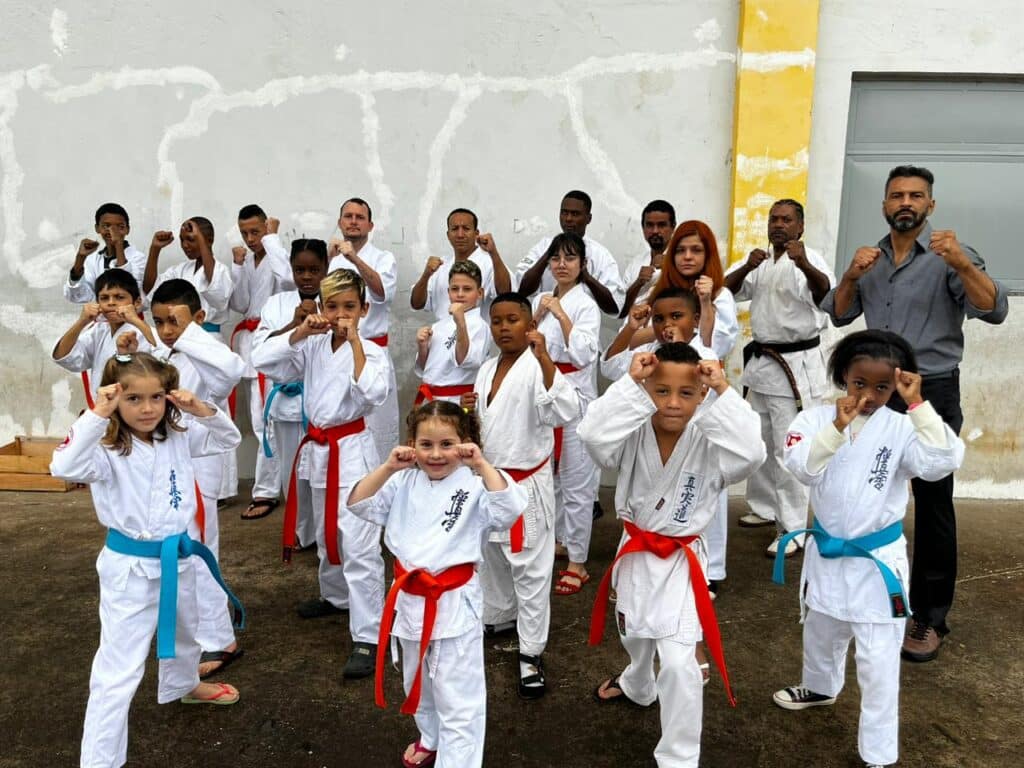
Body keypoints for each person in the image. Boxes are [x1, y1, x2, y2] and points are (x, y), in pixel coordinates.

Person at [821, 165, 1008, 661]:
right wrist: (850, 275)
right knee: (862, 488)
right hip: (875, 391)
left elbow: (994, 310)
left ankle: (929, 615)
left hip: (930, 390)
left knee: (932, 500)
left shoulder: (950, 256)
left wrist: (962, 263)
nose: (906, 202)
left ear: (930, 205)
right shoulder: (870, 258)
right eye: (897, 195)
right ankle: (860, 597)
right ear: (884, 204)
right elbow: (838, 313)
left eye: (916, 195)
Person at [772, 330, 964, 768]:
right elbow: (802, 468)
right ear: (844, 376)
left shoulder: (903, 427)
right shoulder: (814, 421)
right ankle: (820, 686)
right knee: (821, 629)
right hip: (827, 553)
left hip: (876, 563)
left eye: (883, 386)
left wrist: (918, 405)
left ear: (898, 384)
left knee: (878, 660)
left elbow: (943, 461)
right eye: (860, 383)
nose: (870, 396)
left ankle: (878, 752)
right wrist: (837, 428)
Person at [49, 353, 244, 768]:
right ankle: (99, 761)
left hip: (179, 555)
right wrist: (97, 415)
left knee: (187, 633)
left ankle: (183, 685)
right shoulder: (103, 449)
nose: (147, 408)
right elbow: (62, 466)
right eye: (133, 398)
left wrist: (200, 408)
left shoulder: (176, 435)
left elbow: (228, 439)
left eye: (156, 397)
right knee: (118, 670)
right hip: (130, 570)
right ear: (113, 398)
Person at [581, 344, 765, 768]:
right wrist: (628, 383)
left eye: (687, 393)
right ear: (646, 390)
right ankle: (637, 682)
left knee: (681, 664)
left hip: (682, 560)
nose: (673, 403)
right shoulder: (631, 430)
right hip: (636, 552)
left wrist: (724, 390)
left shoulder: (713, 437)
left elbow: (752, 454)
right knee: (634, 633)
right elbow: (591, 436)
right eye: (661, 391)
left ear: (702, 394)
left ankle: (679, 758)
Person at [348, 401, 528, 768]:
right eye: (425, 444)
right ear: (411, 445)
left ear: (465, 443)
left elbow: (509, 509)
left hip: (453, 601)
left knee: (458, 697)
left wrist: (481, 464)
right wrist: (387, 466)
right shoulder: (402, 481)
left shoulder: (476, 486)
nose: (435, 454)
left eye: (447, 444)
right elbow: (358, 503)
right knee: (416, 680)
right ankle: (430, 735)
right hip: (409, 599)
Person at [252, 268, 390, 678]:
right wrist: (299, 330)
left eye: (350, 306)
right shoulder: (312, 345)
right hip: (318, 448)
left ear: (364, 309)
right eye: (332, 306)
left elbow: (373, 393)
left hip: (351, 451)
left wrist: (355, 342)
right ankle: (335, 596)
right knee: (326, 532)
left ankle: (369, 634)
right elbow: (263, 360)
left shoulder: (371, 351)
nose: (341, 314)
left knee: (357, 542)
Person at [463, 291, 579, 699]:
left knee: (530, 571)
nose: (503, 328)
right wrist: (467, 411)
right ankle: (500, 614)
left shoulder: (538, 366)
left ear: (530, 325)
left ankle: (531, 652)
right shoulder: (486, 368)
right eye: (496, 321)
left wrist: (546, 360)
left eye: (512, 320)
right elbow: (482, 427)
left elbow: (564, 411)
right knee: (491, 559)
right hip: (489, 481)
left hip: (525, 484)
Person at [724, 199, 835, 557]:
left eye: (787, 220)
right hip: (763, 363)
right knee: (758, 441)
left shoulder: (810, 259)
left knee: (789, 449)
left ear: (800, 226)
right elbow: (724, 291)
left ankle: (793, 527)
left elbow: (826, 297)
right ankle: (763, 506)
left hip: (795, 366)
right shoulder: (760, 261)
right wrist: (746, 266)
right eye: (774, 219)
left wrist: (803, 264)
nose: (779, 225)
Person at [149, 279, 246, 680]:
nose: (166, 330)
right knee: (175, 550)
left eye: (175, 321)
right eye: (159, 321)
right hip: (165, 463)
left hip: (199, 458)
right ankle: (192, 627)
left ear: (199, 318)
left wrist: (189, 334)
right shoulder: (161, 353)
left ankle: (220, 637)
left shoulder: (210, 354)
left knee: (200, 550)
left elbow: (233, 370)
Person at [143, 217, 238, 502]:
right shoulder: (177, 272)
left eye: (193, 239)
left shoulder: (218, 270)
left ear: (208, 240)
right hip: (174, 350)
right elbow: (151, 292)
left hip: (205, 340)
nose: (187, 246)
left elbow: (218, 295)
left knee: (211, 411)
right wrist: (154, 250)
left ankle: (220, 491)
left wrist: (203, 245)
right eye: (184, 240)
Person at [529, 234, 601, 596]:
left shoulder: (585, 305)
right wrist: (538, 316)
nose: (561, 264)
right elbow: (527, 343)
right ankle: (560, 540)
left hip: (575, 398)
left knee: (576, 481)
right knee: (550, 478)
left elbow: (584, 354)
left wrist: (561, 315)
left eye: (570, 258)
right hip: (546, 393)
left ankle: (578, 562)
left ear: (582, 265)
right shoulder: (542, 299)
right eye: (556, 258)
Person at [252, 238, 329, 550]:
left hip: (323, 402)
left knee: (321, 475)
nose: (307, 276)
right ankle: (300, 530)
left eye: (314, 270)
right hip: (287, 402)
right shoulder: (276, 303)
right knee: (292, 473)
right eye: (300, 270)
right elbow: (260, 348)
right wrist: (294, 326)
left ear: (326, 269)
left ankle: (323, 532)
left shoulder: (336, 300)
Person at [228, 205, 293, 521]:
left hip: (273, 341)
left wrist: (272, 238)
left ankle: (267, 491)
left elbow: (288, 279)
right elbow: (240, 304)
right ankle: (270, 487)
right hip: (250, 343)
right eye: (245, 233)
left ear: (267, 228)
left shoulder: (278, 255)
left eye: (256, 231)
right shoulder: (249, 261)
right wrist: (238, 267)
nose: (251, 238)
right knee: (259, 423)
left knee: (268, 422)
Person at [329, 197, 401, 461]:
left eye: (360, 217)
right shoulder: (332, 259)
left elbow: (382, 293)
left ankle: (383, 478)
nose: (353, 222)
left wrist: (354, 258)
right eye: (348, 216)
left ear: (370, 225)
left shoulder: (383, 258)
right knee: (341, 417)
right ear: (340, 223)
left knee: (379, 422)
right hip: (337, 351)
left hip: (371, 350)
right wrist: (331, 257)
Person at [52, 267, 156, 407]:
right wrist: (82, 322)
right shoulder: (99, 331)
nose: (111, 303)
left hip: (134, 410)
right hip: (101, 409)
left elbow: (161, 355)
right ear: (98, 303)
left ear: (137, 303)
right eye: (104, 298)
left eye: (119, 297)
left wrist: (135, 320)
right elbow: (63, 355)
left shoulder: (146, 333)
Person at [515, 190, 623, 315]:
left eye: (575, 214)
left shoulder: (600, 255)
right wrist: (550, 252)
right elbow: (522, 290)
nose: (568, 219)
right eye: (564, 213)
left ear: (588, 218)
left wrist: (587, 277)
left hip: (582, 321)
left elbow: (614, 308)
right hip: (544, 321)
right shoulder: (543, 246)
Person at [410, 207, 512, 321]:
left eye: (466, 228)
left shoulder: (490, 262)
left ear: (476, 233)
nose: (460, 234)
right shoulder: (439, 266)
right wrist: (426, 275)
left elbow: (506, 294)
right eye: (454, 229)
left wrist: (493, 253)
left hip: (476, 331)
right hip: (444, 331)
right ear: (448, 235)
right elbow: (416, 304)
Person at [414, 260, 490, 406]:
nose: (460, 294)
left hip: (458, 401)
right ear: (448, 292)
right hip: (430, 398)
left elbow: (465, 360)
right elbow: (425, 367)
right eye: (455, 289)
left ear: (479, 293)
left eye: (467, 289)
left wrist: (461, 323)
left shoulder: (480, 325)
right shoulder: (438, 326)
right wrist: (422, 346)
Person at [601, 288, 714, 383]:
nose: (667, 324)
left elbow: (680, 383)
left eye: (676, 316)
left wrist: (679, 346)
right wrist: (630, 328)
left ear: (696, 320)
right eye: (659, 319)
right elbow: (611, 369)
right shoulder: (648, 350)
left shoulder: (707, 356)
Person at [64, 203, 147, 305]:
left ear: (127, 229)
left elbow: (129, 291)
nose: (113, 231)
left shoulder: (138, 258)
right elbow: (81, 296)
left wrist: (118, 244)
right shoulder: (93, 259)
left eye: (120, 227)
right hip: (102, 314)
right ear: (97, 228)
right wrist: (80, 258)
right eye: (106, 226)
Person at [619, 199, 675, 317]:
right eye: (649, 225)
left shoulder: (682, 260)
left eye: (661, 225)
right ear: (643, 228)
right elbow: (621, 311)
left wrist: (671, 267)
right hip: (631, 326)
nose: (655, 231)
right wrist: (638, 282)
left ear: (673, 227)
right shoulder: (636, 263)